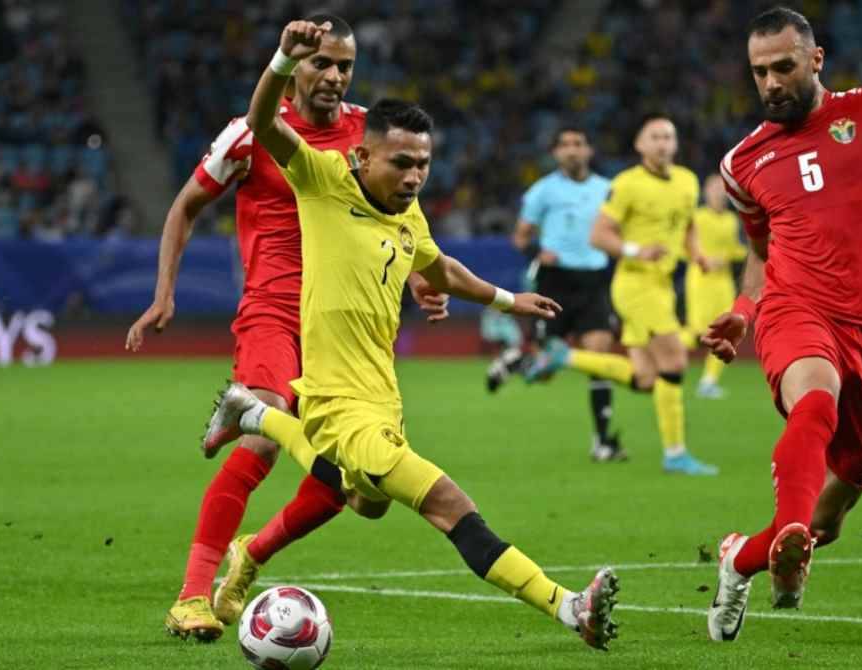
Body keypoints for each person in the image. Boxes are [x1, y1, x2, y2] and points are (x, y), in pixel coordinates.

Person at [204, 19, 620, 650]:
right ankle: (567, 607)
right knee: (450, 505)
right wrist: (283, 61)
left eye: (424, 164)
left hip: (383, 399)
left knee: (358, 500)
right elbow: (264, 124)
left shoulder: (407, 211)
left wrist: (510, 299)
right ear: (362, 155)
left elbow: (440, 268)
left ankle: (253, 417)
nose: (415, 176)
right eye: (401, 162)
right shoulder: (323, 182)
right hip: (342, 405)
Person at [125, 15, 448, 642]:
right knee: (265, 431)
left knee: (351, 487)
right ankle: (192, 595)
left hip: (346, 323)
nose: (331, 76)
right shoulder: (251, 133)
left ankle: (250, 555)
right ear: (294, 64)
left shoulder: (368, 132)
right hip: (274, 307)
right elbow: (185, 206)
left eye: (343, 66)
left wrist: (418, 277)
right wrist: (162, 294)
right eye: (320, 63)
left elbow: (399, 212)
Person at [704, 6, 862, 641]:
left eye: (783, 67)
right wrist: (746, 311)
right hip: (798, 309)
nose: (770, 82)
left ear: (816, 59)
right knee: (814, 403)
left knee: (831, 519)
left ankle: (740, 556)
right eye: (759, 72)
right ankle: (788, 528)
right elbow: (761, 250)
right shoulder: (741, 164)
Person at [526, 114, 719, 475]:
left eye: (668, 137)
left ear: (675, 144)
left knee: (646, 379)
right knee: (675, 360)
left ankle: (564, 357)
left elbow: (688, 226)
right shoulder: (626, 184)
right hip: (635, 285)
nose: (662, 143)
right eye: (655, 137)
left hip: (662, 285)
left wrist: (699, 256)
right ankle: (675, 454)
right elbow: (599, 236)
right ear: (640, 145)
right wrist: (635, 250)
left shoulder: (688, 182)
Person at [487, 126, 622, 461]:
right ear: (557, 153)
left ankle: (603, 442)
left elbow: (617, 230)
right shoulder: (542, 191)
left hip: (593, 279)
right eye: (565, 145)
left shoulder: (609, 190)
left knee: (601, 359)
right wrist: (536, 250)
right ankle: (517, 360)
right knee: (546, 369)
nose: (572, 150)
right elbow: (520, 238)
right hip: (555, 280)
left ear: (589, 151)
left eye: (579, 143)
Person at [685, 174, 747, 399]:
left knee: (725, 331)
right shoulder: (697, 217)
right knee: (698, 332)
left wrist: (732, 255)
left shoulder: (731, 220)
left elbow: (735, 249)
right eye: (713, 188)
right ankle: (659, 354)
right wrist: (703, 258)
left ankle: (708, 382)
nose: (718, 193)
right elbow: (687, 246)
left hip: (723, 282)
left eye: (722, 189)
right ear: (705, 191)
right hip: (701, 280)